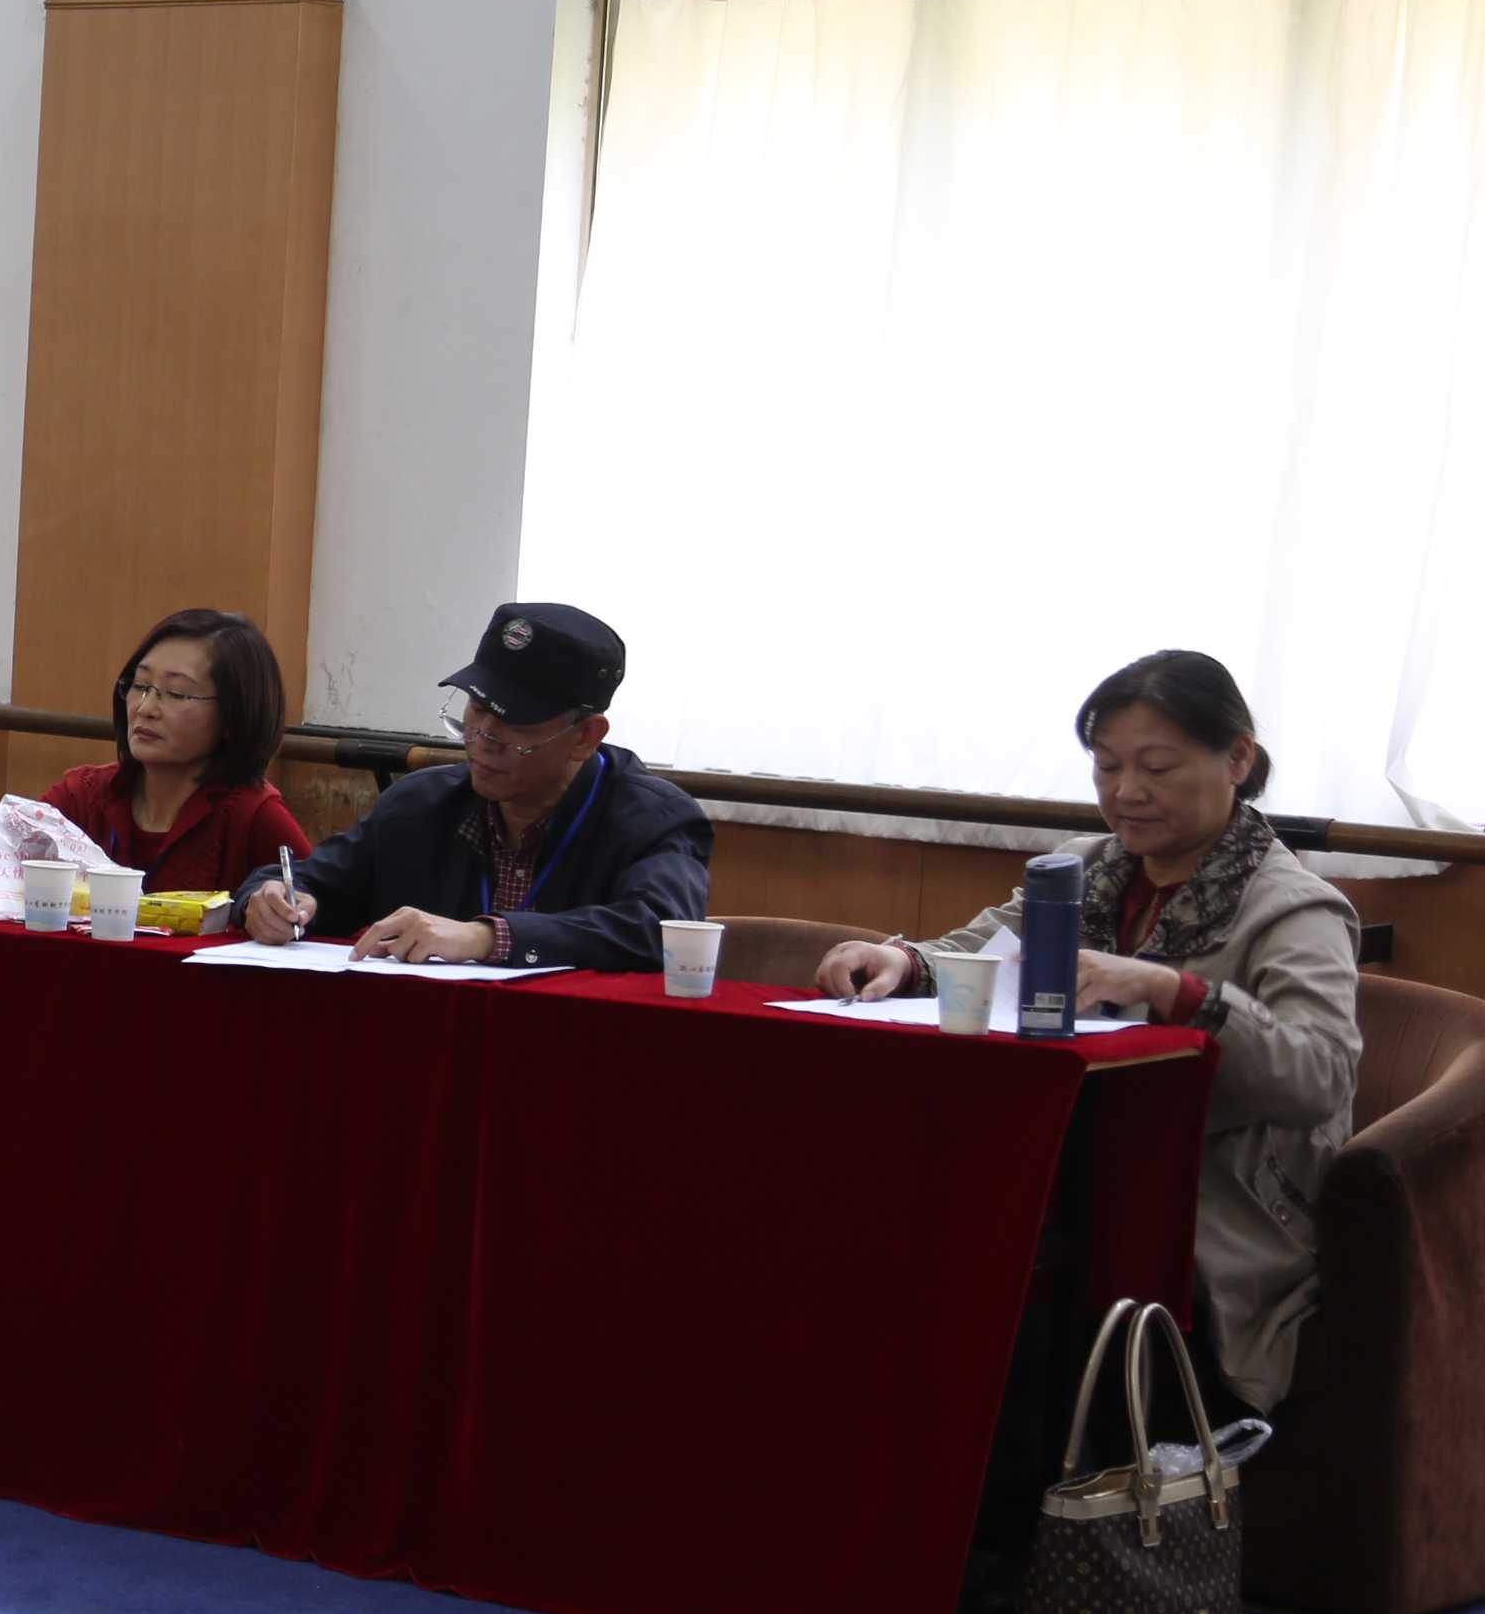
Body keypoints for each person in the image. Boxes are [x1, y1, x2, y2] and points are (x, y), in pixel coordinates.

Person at [816, 651, 1357, 1421]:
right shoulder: (1086, 869)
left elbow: (1320, 1076)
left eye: (1157, 767)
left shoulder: (1295, 909)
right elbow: (978, 950)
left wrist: (1173, 992)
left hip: (1198, 1217)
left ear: (1238, 758)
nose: (1126, 792)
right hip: (1047, 1182)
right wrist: (901, 961)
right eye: (1107, 767)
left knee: (1011, 1352)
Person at [236, 600, 709, 969]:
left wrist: (487, 937)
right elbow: (311, 880)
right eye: (477, 709)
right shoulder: (420, 803)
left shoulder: (655, 820)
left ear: (585, 736)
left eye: (515, 722)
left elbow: (662, 929)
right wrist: (276, 901)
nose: (482, 738)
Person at [35, 607, 312, 897]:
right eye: (140, 686)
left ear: (234, 715)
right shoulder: (82, 796)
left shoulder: (253, 813)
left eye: (177, 693)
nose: (145, 709)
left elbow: (317, 902)